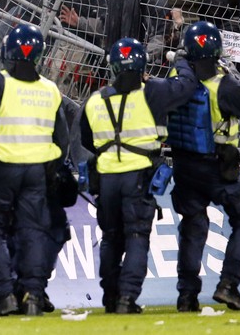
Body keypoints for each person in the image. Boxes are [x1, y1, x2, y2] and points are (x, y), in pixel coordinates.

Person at [78, 37, 196, 313]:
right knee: (136, 237)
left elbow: (86, 139)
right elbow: (186, 87)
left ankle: (110, 297)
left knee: (110, 238)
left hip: (106, 180)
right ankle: (127, 298)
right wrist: (181, 60)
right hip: (138, 179)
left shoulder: (95, 101)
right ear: (142, 64)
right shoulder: (152, 92)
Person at [168, 21, 240, 312]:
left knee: (193, 226)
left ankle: (187, 295)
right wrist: (234, 75)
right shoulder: (224, 84)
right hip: (219, 166)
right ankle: (228, 285)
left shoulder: (177, 76)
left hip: (184, 163)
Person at [0, 24, 69, 316]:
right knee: (33, 233)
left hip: (3, 168)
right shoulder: (50, 89)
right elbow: (62, 138)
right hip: (38, 171)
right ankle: (33, 296)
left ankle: (4, 296)